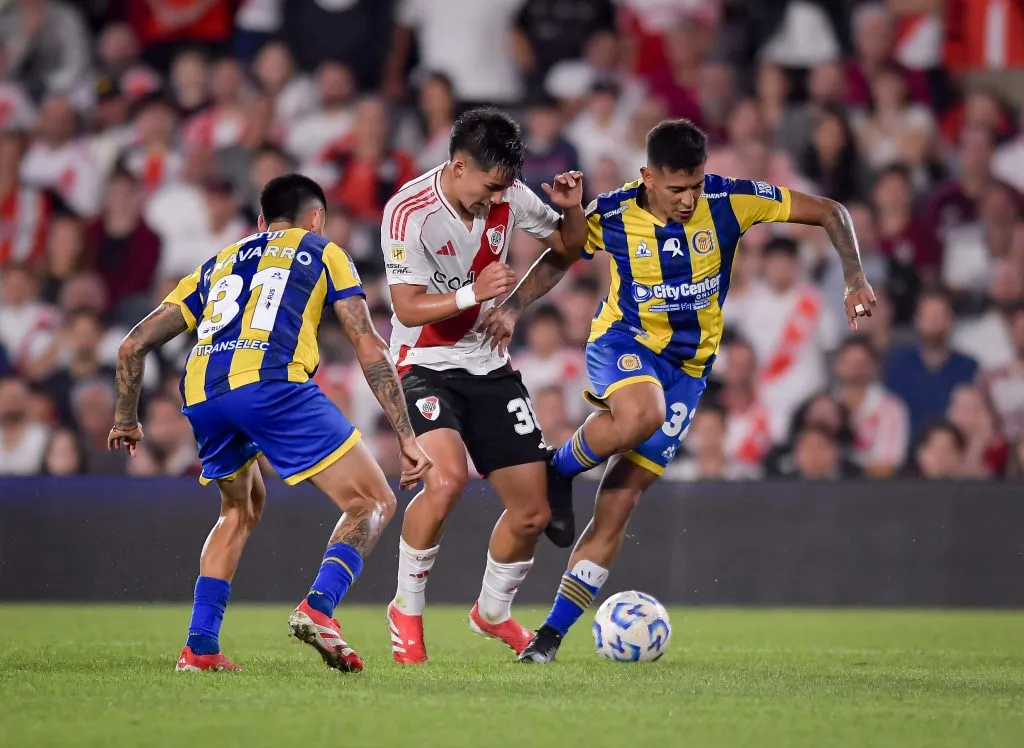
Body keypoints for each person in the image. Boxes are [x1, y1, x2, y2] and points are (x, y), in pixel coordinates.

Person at [482, 118, 876, 662]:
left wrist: (854, 278)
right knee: (642, 413)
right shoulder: (616, 211)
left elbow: (832, 211)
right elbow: (564, 253)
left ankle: (548, 636)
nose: (689, 199)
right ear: (647, 176)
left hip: (689, 370)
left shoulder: (731, 200)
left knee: (619, 503)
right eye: (675, 189)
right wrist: (514, 307)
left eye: (695, 185)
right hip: (625, 342)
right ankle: (559, 471)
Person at [107, 174, 431, 673]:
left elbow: (132, 345)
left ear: (261, 222)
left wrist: (126, 419)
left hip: (203, 393)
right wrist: (406, 435)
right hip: (270, 384)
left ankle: (200, 648)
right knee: (373, 500)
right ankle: (319, 608)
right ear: (316, 218)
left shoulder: (218, 262)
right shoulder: (323, 250)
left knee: (239, 510)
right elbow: (367, 342)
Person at [380, 107, 586, 664]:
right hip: (422, 362)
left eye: (504, 187)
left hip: (487, 364)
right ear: (458, 165)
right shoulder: (408, 211)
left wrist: (517, 299)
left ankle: (491, 612)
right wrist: (475, 295)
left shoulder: (510, 194)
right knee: (444, 481)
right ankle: (407, 608)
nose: (496, 198)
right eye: (489, 186)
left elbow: (568, 249)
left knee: (533, 513)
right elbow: (405, 307)